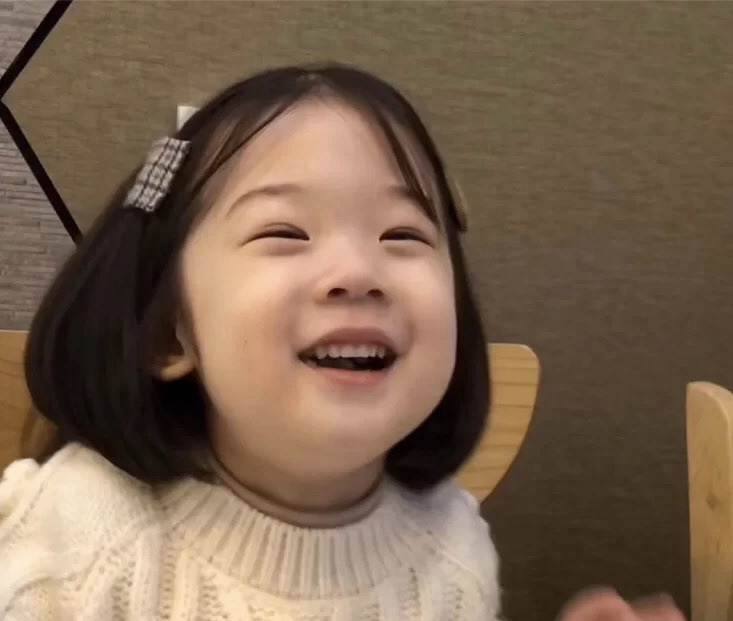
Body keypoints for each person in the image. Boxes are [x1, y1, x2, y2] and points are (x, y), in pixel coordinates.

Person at [0, 64, 684, 621]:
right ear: (165, 334)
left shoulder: (452, 548)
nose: (358, 271)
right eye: (285, 233)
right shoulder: (78, 533)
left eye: (402, 235)